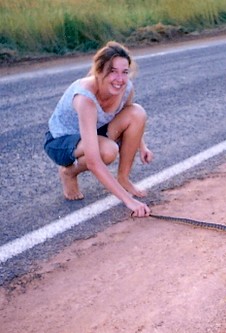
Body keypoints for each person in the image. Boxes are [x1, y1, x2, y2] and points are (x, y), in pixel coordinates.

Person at [44, 41, 152, 217]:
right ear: (99, 71)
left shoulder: (126, 88)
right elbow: (94, 162)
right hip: (61, 142)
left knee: (137, 112)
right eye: (112, 71)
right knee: (108, 151)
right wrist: (129, 201)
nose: (120, 79)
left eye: (124, 72)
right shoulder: (85, 98)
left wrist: (142, 146)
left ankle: (123, 178)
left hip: (94, 131)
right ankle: (68, 172)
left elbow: (129, 116)